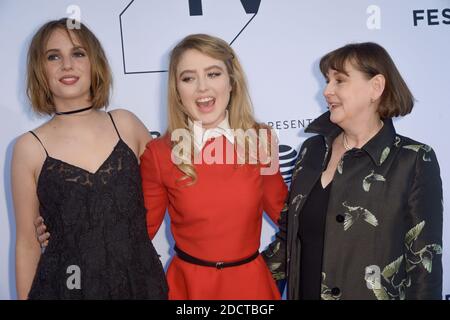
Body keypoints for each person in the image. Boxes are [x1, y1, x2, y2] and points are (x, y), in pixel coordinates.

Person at [263, 42, 443, 300]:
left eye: (339, 80)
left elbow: (424, 267)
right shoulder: (312, 149)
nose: (326, 91)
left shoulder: (413, 160)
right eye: (327, 81)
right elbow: (288, 240)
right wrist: (228, 277)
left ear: (376, 87)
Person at [12, 18, 168, 299]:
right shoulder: (29, 148)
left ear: (94, 62)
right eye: (53, 56)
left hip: (141, 285)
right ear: (40, 69)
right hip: (65, 290)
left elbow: (176, 187)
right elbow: (26, 243)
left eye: (78, 53)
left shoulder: (126, 124)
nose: (67, 65)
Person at [139, 34, 288, 299]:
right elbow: (138, 234)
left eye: (213, 73)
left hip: (251, 288)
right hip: (189, 290)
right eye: (188, 78)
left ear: (232, 81)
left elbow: (288, 216)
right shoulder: (159, 154)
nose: (202, 88)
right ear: (177, 90)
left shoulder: (260, 141)